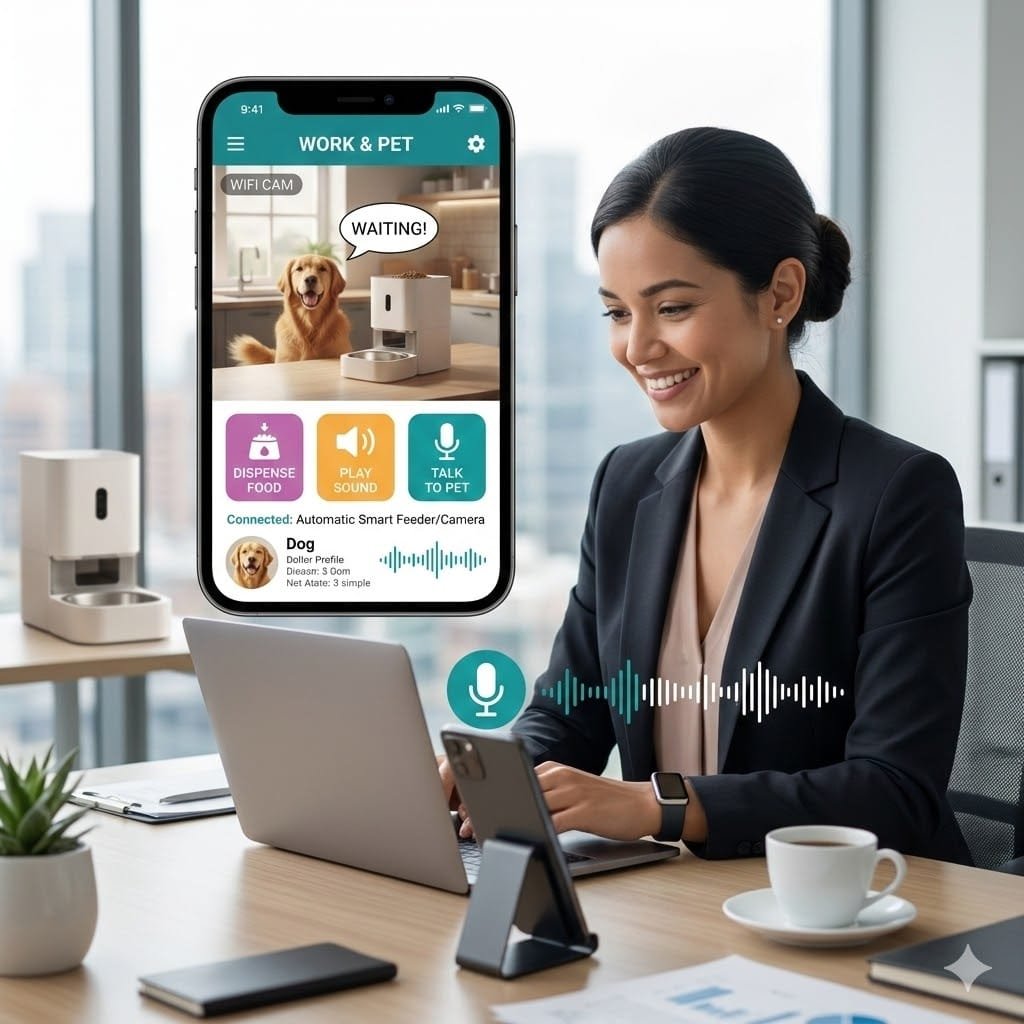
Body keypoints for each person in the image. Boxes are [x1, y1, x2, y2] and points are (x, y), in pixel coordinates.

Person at [440, 127, 974, 864]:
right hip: (673, 905)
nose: (637, 347)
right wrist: (492, 777)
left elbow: (896, 792)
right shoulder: (627, 484)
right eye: (617, 313)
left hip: (846, 904)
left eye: (672, 308)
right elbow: (569, 715)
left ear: (780, 294)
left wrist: (657, 806)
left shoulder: (896, 495)